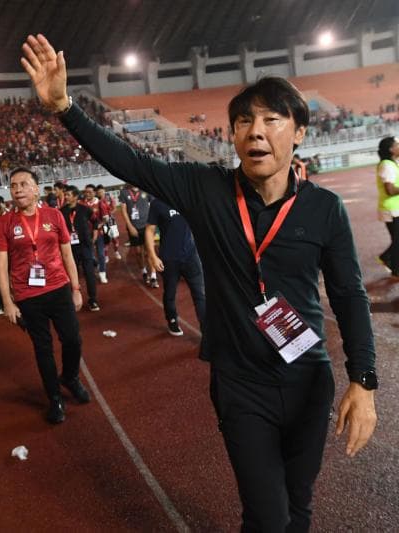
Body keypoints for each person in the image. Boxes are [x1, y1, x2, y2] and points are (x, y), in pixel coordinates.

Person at [23, 35, 377, 531]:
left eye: (272, 120)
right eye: (244, 121)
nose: (256, 131)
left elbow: (348, 295)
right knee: (267, 515)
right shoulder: (205, 188)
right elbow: (131, 163)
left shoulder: (324, 209)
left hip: (307, 378)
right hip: (241, 383)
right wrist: (65, 108)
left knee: (298, 505)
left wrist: (363, 380)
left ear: (299, 132)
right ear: (232, 135)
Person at [0, 167, 91, 424]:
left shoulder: (54, 215)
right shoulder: (4, 223)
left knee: (73, 339)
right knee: (43, 348)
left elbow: (67, 254)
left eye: (24, 184)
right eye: (13, 186)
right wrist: (8, 302)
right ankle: (55, 398)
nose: (18, 190)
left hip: (58, 288)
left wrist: (76, 289)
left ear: (36, 188)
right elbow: (1, 266)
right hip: (28, 295)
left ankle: (70, 377)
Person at [144, 198, 206, 336]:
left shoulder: (186, 197)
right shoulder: (157, 203)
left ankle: (206, 330)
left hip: (191, 257)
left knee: (200, 294)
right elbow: (149, 230)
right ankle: (172, 320)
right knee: (170, 293)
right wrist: (153, 256)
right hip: (169, 259)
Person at [61, 185, 100, 311]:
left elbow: (95, 221)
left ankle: (93, 299)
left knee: (89, 272)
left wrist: (94, 234)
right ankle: (74, 298)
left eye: (68, 195)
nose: (66, 197)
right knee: (72, 274)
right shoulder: (61, 212)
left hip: (85, 246)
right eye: (65, 195)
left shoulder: (85, 209)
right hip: (70, 248)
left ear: (75, 196)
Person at [118, 184, 157, 287]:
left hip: (146, 226)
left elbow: (154, 204)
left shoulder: (146, 188)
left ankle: (153, 276)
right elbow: (124, 211)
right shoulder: (124, 192)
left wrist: (153, 222)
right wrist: (130, 226)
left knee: (149, 251)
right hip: (134, 226)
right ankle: (144, 272)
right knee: (138, 252)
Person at [376, 136, 399, 276]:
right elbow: (389, 190)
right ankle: (393, 266)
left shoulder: (392, 163)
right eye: (397, 145)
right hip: (391, 209)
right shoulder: (387, 165)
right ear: (391, 149)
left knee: (397, 240)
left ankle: (389, 261)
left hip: (395, 208)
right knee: (397, 240)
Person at [79, 184, 110, 284]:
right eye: (86, 192)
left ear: (94, 193)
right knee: (89, 255)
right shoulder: (82, 203)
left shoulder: (100, 203)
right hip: (86, 234)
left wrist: (98, 225)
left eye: (90, 192)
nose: (87, 194)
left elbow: (106, 218)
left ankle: (102, 273)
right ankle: (97, 265)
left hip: (99, 233)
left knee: (101, 254)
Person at [96, 184, 122, 260]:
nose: (100, 193)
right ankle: (106, 256)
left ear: (104, 191)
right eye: (99, 192)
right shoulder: (96, 200)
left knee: (114, 238)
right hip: (102, 223)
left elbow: (115, 208)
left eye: (101, 192)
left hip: (111, 222)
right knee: (106, 240)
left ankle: (116, 252)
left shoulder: (109, 198)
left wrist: (108, 214)